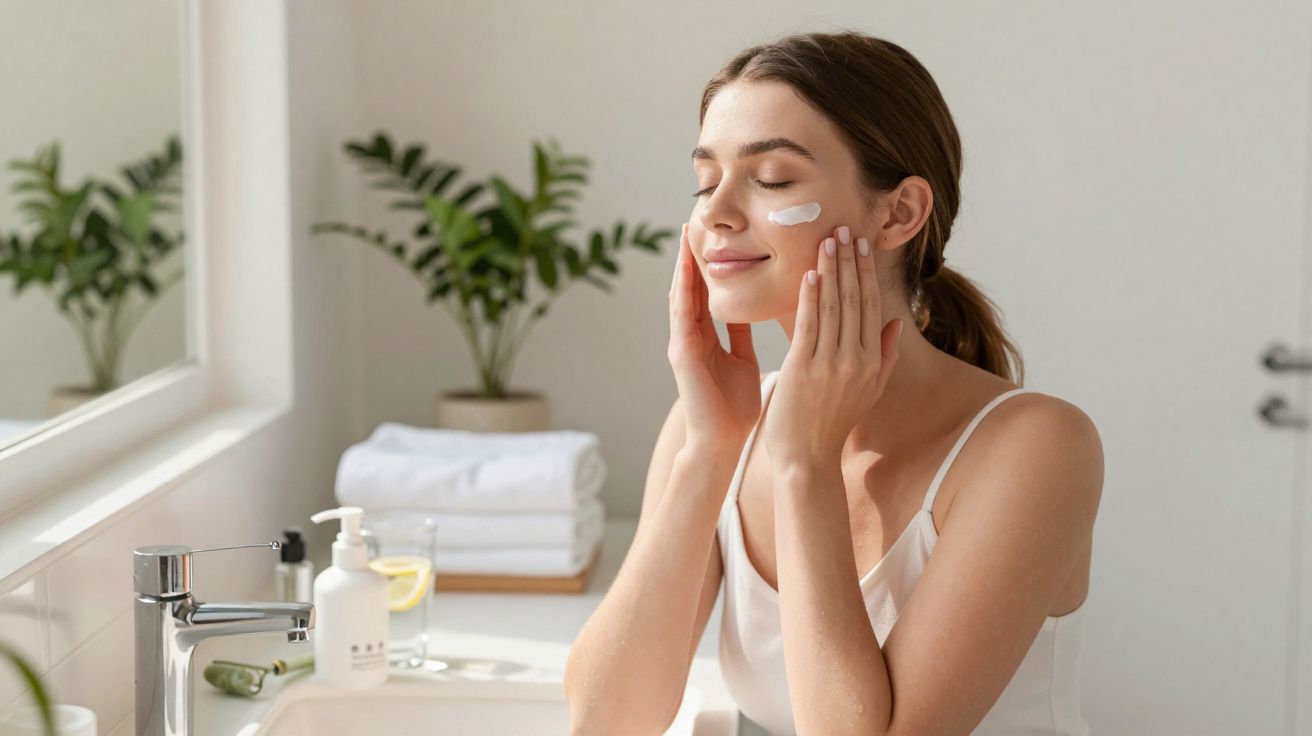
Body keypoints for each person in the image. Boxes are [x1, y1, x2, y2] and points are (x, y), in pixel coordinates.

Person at [564, 30, 1103, 736]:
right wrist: (708, 451)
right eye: (705, 180)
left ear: (898, 213)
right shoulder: (719, 431)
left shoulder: (1037, 448)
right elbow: (606, 721)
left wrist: (803, 464)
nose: (715, 213)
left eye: (772, 179)